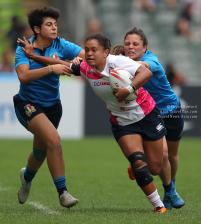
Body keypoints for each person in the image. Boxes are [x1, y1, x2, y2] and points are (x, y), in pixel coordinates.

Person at [18, 33, 168, 213]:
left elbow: (146, 72)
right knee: (139, 163)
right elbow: (64, 65)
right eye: (86, 50)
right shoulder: (86, 69)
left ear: (105, 53)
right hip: (122, 123)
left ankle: (140, 168)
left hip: (148, 114)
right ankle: (158, 206)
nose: (88, 54)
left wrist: (128, 89)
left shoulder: (118, 62)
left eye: (93, 50)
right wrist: (34, 56)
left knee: (155, 168)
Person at [14, 6, 85, 208]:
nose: (54, 28)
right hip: (27, 104)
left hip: (53, 106)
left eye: (55, 24)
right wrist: (51, 68)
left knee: (41, 152)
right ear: (37, 28)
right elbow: (24, 76)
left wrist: (81, 59)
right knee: (54, 141)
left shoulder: (61, 44)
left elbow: (87, 57)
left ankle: (26, 178)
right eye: (49, 24)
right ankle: (63, 193)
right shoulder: (24, 47)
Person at [112, 27, 185, 210]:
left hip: (171, 110)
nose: (131, 47)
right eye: (127, 43)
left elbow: (144, 68)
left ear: (144, 48)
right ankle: (169, 190)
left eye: (136, 44)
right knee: (164, 154)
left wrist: (123, 61)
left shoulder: (150, 60)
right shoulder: (122, 63)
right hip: (150, 112)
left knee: (173, 156)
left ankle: (170, 190)